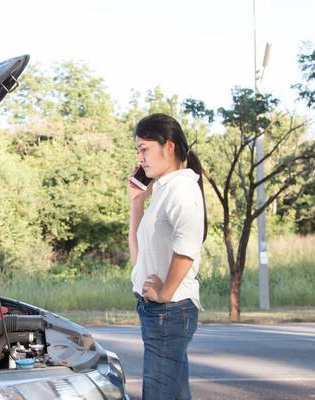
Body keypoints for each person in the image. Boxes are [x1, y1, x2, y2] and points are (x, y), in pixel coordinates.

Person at [128, 113, 207, 400]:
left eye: (144, 149)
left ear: (169, 147)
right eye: (138, 151)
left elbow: (188, 247)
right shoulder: (163, 190)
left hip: (169, 311)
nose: (140, 158)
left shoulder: (181, 189)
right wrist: (136, 203)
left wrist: (164, 292)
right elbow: (139, 258)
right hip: (159, 312)